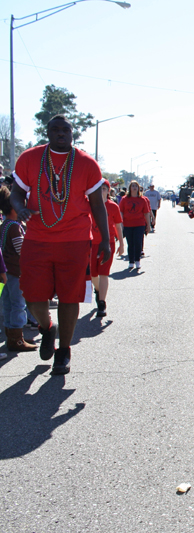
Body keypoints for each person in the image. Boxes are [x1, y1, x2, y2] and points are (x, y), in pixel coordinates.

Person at [10, 114, 111, 374]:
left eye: (65, 130)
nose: (61, 134)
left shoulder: (87, 163)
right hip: (36, 238)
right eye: (55, 130)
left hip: (75, 240)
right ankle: (47, 327)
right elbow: (17, 192)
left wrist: (106, 240)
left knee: (70, 296)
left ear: (72, 133)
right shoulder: (29, 158)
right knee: (32, 296)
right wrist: (20, 208)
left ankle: (63, 351)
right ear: (48, 133)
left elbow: (97, 205)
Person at [0, 186, 35, 352]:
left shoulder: (5, 224)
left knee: (8, 304)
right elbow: (22, 250)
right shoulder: (15, 227)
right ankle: (17, 338)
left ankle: (10, 334)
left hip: (6, 272)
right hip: (16, 272)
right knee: (18, 305)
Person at [90, 180, 124, 318]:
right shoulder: (89, 205)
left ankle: (102, 303)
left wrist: (121, 243)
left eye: (104, 189)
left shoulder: (113, 206)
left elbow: (118, 226)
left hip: (107, 243)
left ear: (108, 191)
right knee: (93, 274)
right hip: (91, 244)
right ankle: (98, 291)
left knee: (104, 273)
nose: (101, 191)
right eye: (99, 189)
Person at [119, 181, 151, 269]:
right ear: (130, 188)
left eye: (136, 186)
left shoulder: (142, 200)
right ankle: (131, 261)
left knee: (137, 242)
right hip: (128, 224)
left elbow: (146, 213)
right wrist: (121, 223)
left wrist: (148, 225)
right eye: (132, 186)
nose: (134, 187)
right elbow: (121, 211)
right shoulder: (125, 199)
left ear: (138, 188)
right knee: (130, 243)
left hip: (139, 224)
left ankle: (137, 260)